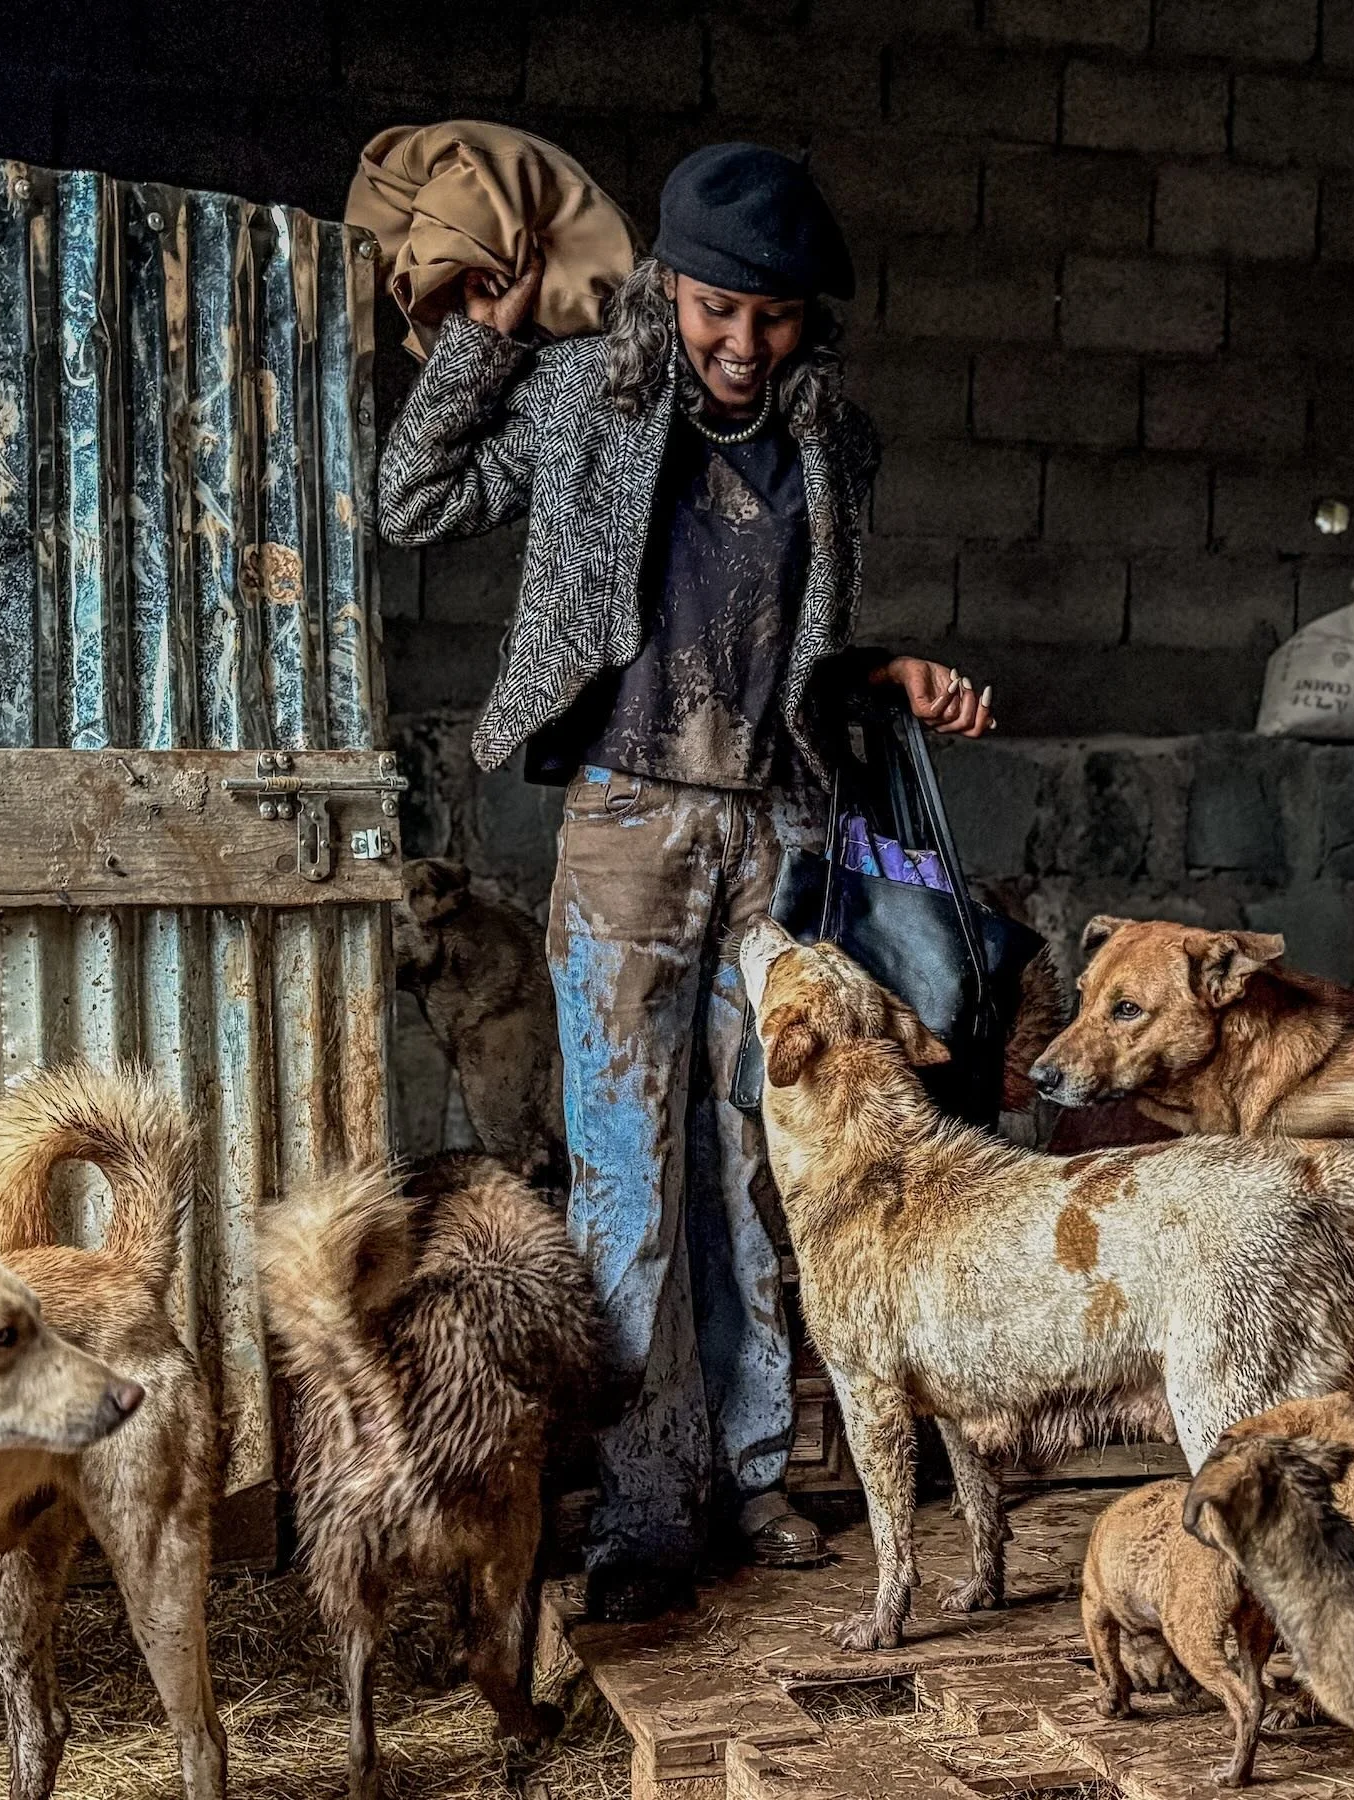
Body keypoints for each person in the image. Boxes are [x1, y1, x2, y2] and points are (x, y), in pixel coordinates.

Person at [380, 142, 992, 1622]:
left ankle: (754, 1470)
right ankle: (626, 1495)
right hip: (627, 824)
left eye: (773, 317)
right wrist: (487, 339)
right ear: (666, 290)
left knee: (743, 1162)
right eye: (718, 308)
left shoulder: (834, 442)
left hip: (766, 831)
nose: (742, 342)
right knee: (622, 1165)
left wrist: (882, 670)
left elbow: (785, 648)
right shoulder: (589, 395)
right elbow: (414, 501)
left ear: (807, 324)